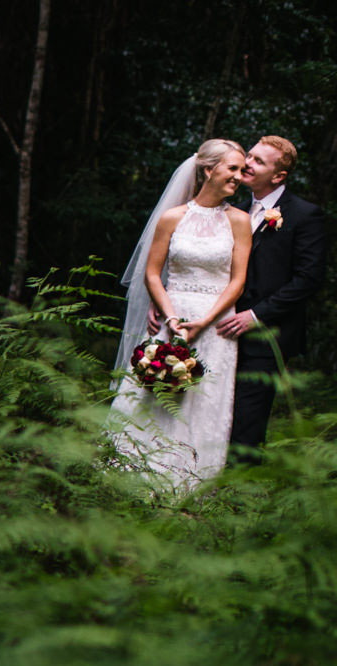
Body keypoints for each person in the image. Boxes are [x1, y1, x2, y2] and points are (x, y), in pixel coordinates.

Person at [109, 140, 253, 491]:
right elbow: (153, 273)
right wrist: (171, 318)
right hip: (172, 318)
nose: (240, 176)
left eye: (241, 169)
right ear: (208, 170)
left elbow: (238, 280)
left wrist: (205, 322)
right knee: (153, 395)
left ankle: (191, 485)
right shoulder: (172, 217)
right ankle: (132, 477)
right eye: (232, 168)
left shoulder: (239, 221)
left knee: (204, 402)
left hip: (214, 324)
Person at [213, 136, 329, 456]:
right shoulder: (233, 210)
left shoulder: (305, 215)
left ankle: (237, 493)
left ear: (279, 176)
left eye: (258, 161)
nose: (247, 164)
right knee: (214, 408)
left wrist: (255, 315)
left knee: (248, 418)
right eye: (249, 156)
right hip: (221, 328)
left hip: (267, 334)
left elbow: (308, 279)